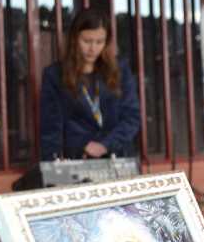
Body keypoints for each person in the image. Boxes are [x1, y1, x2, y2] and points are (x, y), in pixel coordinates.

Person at [40, 8, 140, 160]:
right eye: (86, 41)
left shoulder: (121, 70)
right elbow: (51, 127)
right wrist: (79, 145)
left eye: (99, 42)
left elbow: (132, 117)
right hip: (76, 158)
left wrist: (106, 144)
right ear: (74, 39)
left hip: (118, 156)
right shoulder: (54, 75)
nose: (93, 48)